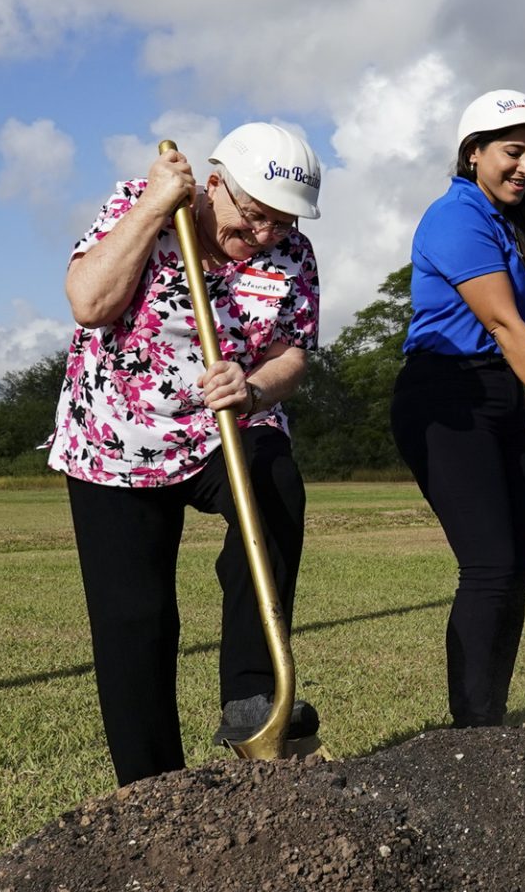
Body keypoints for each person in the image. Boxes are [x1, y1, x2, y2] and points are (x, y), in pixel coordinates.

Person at [51, 123, 324, 786]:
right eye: (253, 215)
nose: (262, 235)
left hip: (222, 430)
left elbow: (292, 352)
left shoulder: (292, 255)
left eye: (278, 223)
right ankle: (153, 792)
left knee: (275, 486)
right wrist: (151, 208)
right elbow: (89, 302)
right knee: (135, 622)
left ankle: (251, 692)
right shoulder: (141, 206)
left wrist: (255, 388)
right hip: (118, 438)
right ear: (212, 184)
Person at [391, 89, 525, 728]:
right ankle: (474, 734)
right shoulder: (457, 217)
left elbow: (507, 340)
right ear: (472, 153)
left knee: (518, 565)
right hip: (447, 395)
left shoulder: (503, 223)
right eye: (513, 151)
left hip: (497, 397)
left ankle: (490, 720)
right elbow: (505, 325)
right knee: (490, 565)